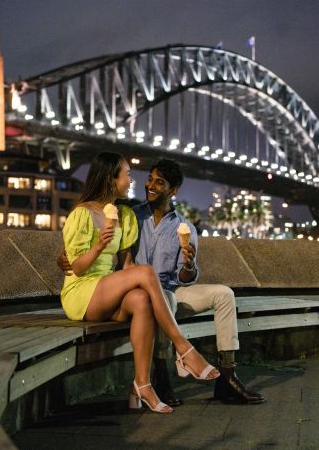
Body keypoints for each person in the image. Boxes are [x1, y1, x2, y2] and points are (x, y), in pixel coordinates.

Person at [60, 158, 265, 405]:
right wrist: (66, 258)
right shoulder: (131, 217)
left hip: (172, 289)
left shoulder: (185, 227)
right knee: (159, 296)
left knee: (224, 294)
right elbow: (86, 250)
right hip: (141, 290)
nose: (151, 186)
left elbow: (183, 277)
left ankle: (228, 377)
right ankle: (165, 375)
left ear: (173, 190)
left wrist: (189, 265)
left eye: (160, 182)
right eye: (150, 179)